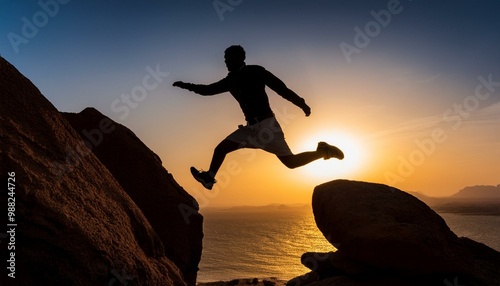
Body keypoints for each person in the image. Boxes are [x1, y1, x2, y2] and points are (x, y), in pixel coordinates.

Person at [173, 45, 344, 190]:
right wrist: (185, 85)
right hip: (250, 128)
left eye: (229, 57)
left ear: (241, 57)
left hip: (267, 126)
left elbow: (281, 89)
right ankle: (209, 178)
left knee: (291, 163)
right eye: (225, 58)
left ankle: (323, 151)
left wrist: (301, 103)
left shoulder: (256, 71)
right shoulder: (230, 80)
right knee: (221, 148)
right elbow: (207, 90)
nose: (225, 61)